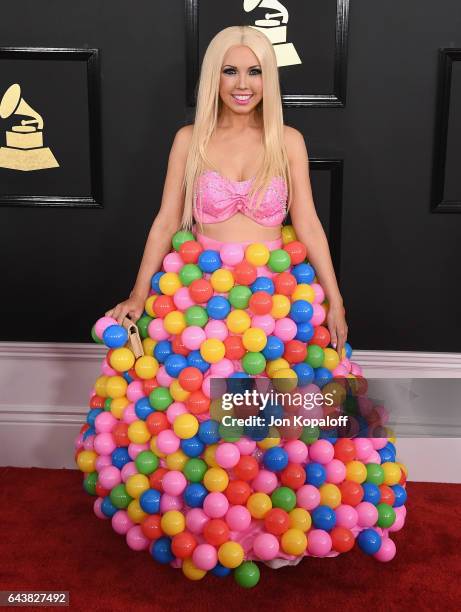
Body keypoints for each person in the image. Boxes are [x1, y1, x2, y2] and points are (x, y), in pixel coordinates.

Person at [105, 24, 348, 360]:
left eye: (255, 72)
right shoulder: (189, 140)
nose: (243, 84)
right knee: (198, 402)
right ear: (213, 77)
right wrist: (137, 293)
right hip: (201, 296)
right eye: (230, 71)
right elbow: (167, 221)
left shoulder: (288, 141)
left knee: (272, 404)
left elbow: (308, 224)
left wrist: (335, 300)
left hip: (273, 298)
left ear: (269, 79)